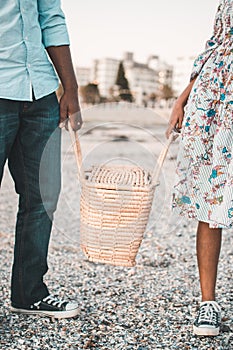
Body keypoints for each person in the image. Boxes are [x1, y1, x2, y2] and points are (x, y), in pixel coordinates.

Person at [0, 1, 83, 318]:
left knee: (42, 195)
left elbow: (51, 18)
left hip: (41, 91)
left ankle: (28, 293)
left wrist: (71, 88)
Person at [166, 0, 232, 336]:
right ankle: (208, 303)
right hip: (214, 98)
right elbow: (215, 46)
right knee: (210, 198)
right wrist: (182, 99)